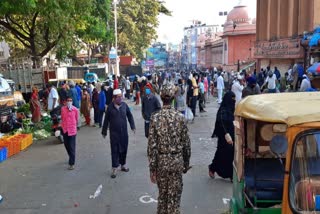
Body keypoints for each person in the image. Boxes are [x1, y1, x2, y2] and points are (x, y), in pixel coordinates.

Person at [148, 84, 191, 214]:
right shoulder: (180, 117)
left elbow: (152, 146)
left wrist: (152, 169)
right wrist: (186, 164)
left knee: (163, 196)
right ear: (173, 98)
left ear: (161, 98)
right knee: (174, 198)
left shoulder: (155, 118)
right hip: (176, 161)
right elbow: (186, 144)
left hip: (162, 162)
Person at [101, 89, 136, 178]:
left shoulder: (124, 105)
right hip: (114, 134)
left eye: (121, 96)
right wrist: (104, 131)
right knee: (115, 150)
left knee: (124, 149)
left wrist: (133, 126)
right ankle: (114, 168)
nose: (121, 98)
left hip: (124, 133)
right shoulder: (110, 107)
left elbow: (130, 116)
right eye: (119, 97)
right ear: (114, 98)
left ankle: (123, 165)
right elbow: (106, 120)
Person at [209, 91, 236, 181]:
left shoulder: (232, 109)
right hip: (224, 136)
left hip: (232, 135)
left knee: (231, 154)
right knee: (221, 153)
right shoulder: (223, 110)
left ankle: (231, 174)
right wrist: (226, 134)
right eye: (232, 99)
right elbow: (221, 122)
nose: (233, 101)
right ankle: (213, 168)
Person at [61, 96, 79, 170]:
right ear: (66, 101)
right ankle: (71, 156)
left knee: (72, 146)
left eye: (70, 100)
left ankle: (71, 163)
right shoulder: (63, 109)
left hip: (72, 130)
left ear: (72, 102)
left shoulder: (75, 110)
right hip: (65, 129)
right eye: (68, 100)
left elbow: (76, 119)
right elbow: (62, 118)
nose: (69, 102)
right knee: (66, 145)